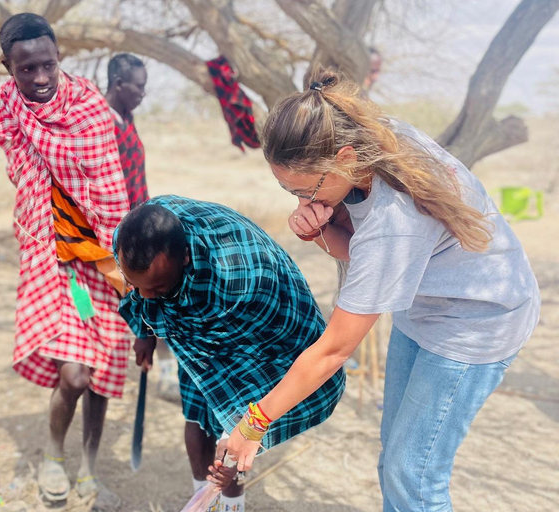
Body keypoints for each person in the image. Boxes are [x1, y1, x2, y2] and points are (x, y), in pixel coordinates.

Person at [225, 70, 541, 512]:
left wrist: (253, 424)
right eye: (286, 189)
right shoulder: (366, 134)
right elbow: (359, 251)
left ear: (345, 158)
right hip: (426, 306)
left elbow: (334, 350)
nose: (299, 202)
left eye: (305, 189)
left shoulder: (395, 223)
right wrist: (322, 228)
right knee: (396, 455)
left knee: (413, 475)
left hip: (478, 320)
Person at [0, 13, 130, 510]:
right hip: (55, 263)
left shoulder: (89, 107)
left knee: (101, 372)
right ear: (7, 67)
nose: (40, 78)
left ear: (59, 58)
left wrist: (127, 265)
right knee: (76, 375)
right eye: (27, 69)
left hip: (105, 263)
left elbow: (110, 196)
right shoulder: (3, 105)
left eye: (48, 65)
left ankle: (88, 465)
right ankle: (54, 456)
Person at [114, 197, 346, 512]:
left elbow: (244, 384)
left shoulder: (238, 280)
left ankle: (231, 505)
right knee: (196, 414)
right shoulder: (131, 238)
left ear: (184, 257)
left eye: (155, 289)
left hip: (264, 330)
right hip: (199, 310)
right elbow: (141, 288)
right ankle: (204, 502)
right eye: (136, 285)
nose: (144, 296)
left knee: (233, 431)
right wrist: (144, 331)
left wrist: (237, 431)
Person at [105, 53, 149, 209]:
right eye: (139, 86)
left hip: (137, 214)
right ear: (118, 84)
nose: (143, 93)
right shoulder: (102, 123)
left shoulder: (126, 118)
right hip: (116, 219)